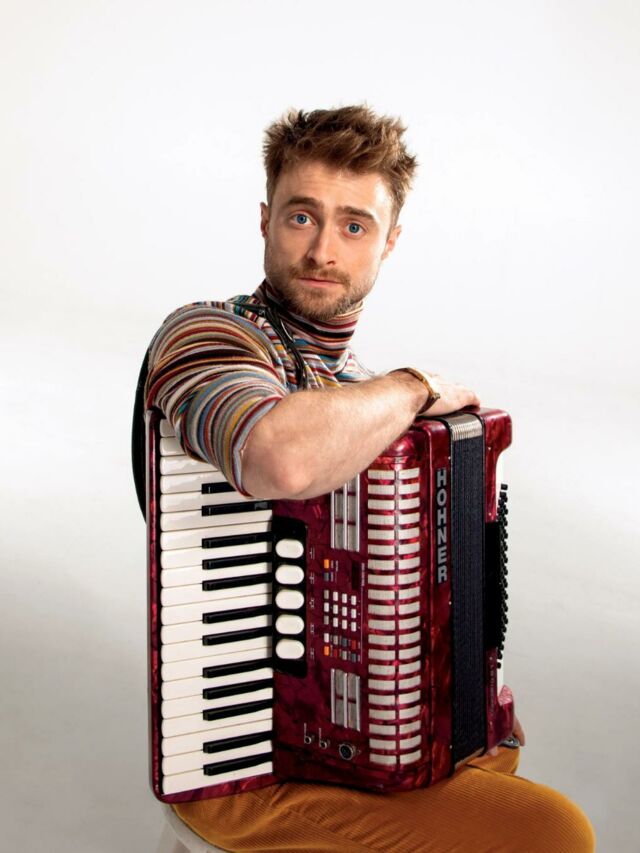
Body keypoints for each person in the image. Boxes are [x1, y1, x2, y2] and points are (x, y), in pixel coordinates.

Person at [145, 105, 595, 851]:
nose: (323, 249)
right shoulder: (209, 334)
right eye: (302, 217)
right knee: (555, 832)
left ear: (390, 242)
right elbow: (278, 456)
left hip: (359, 751)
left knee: (497, 757)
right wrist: (414, 384)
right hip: (245, 757)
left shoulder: (355, 387)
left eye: (354, 226)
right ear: (264, 220)